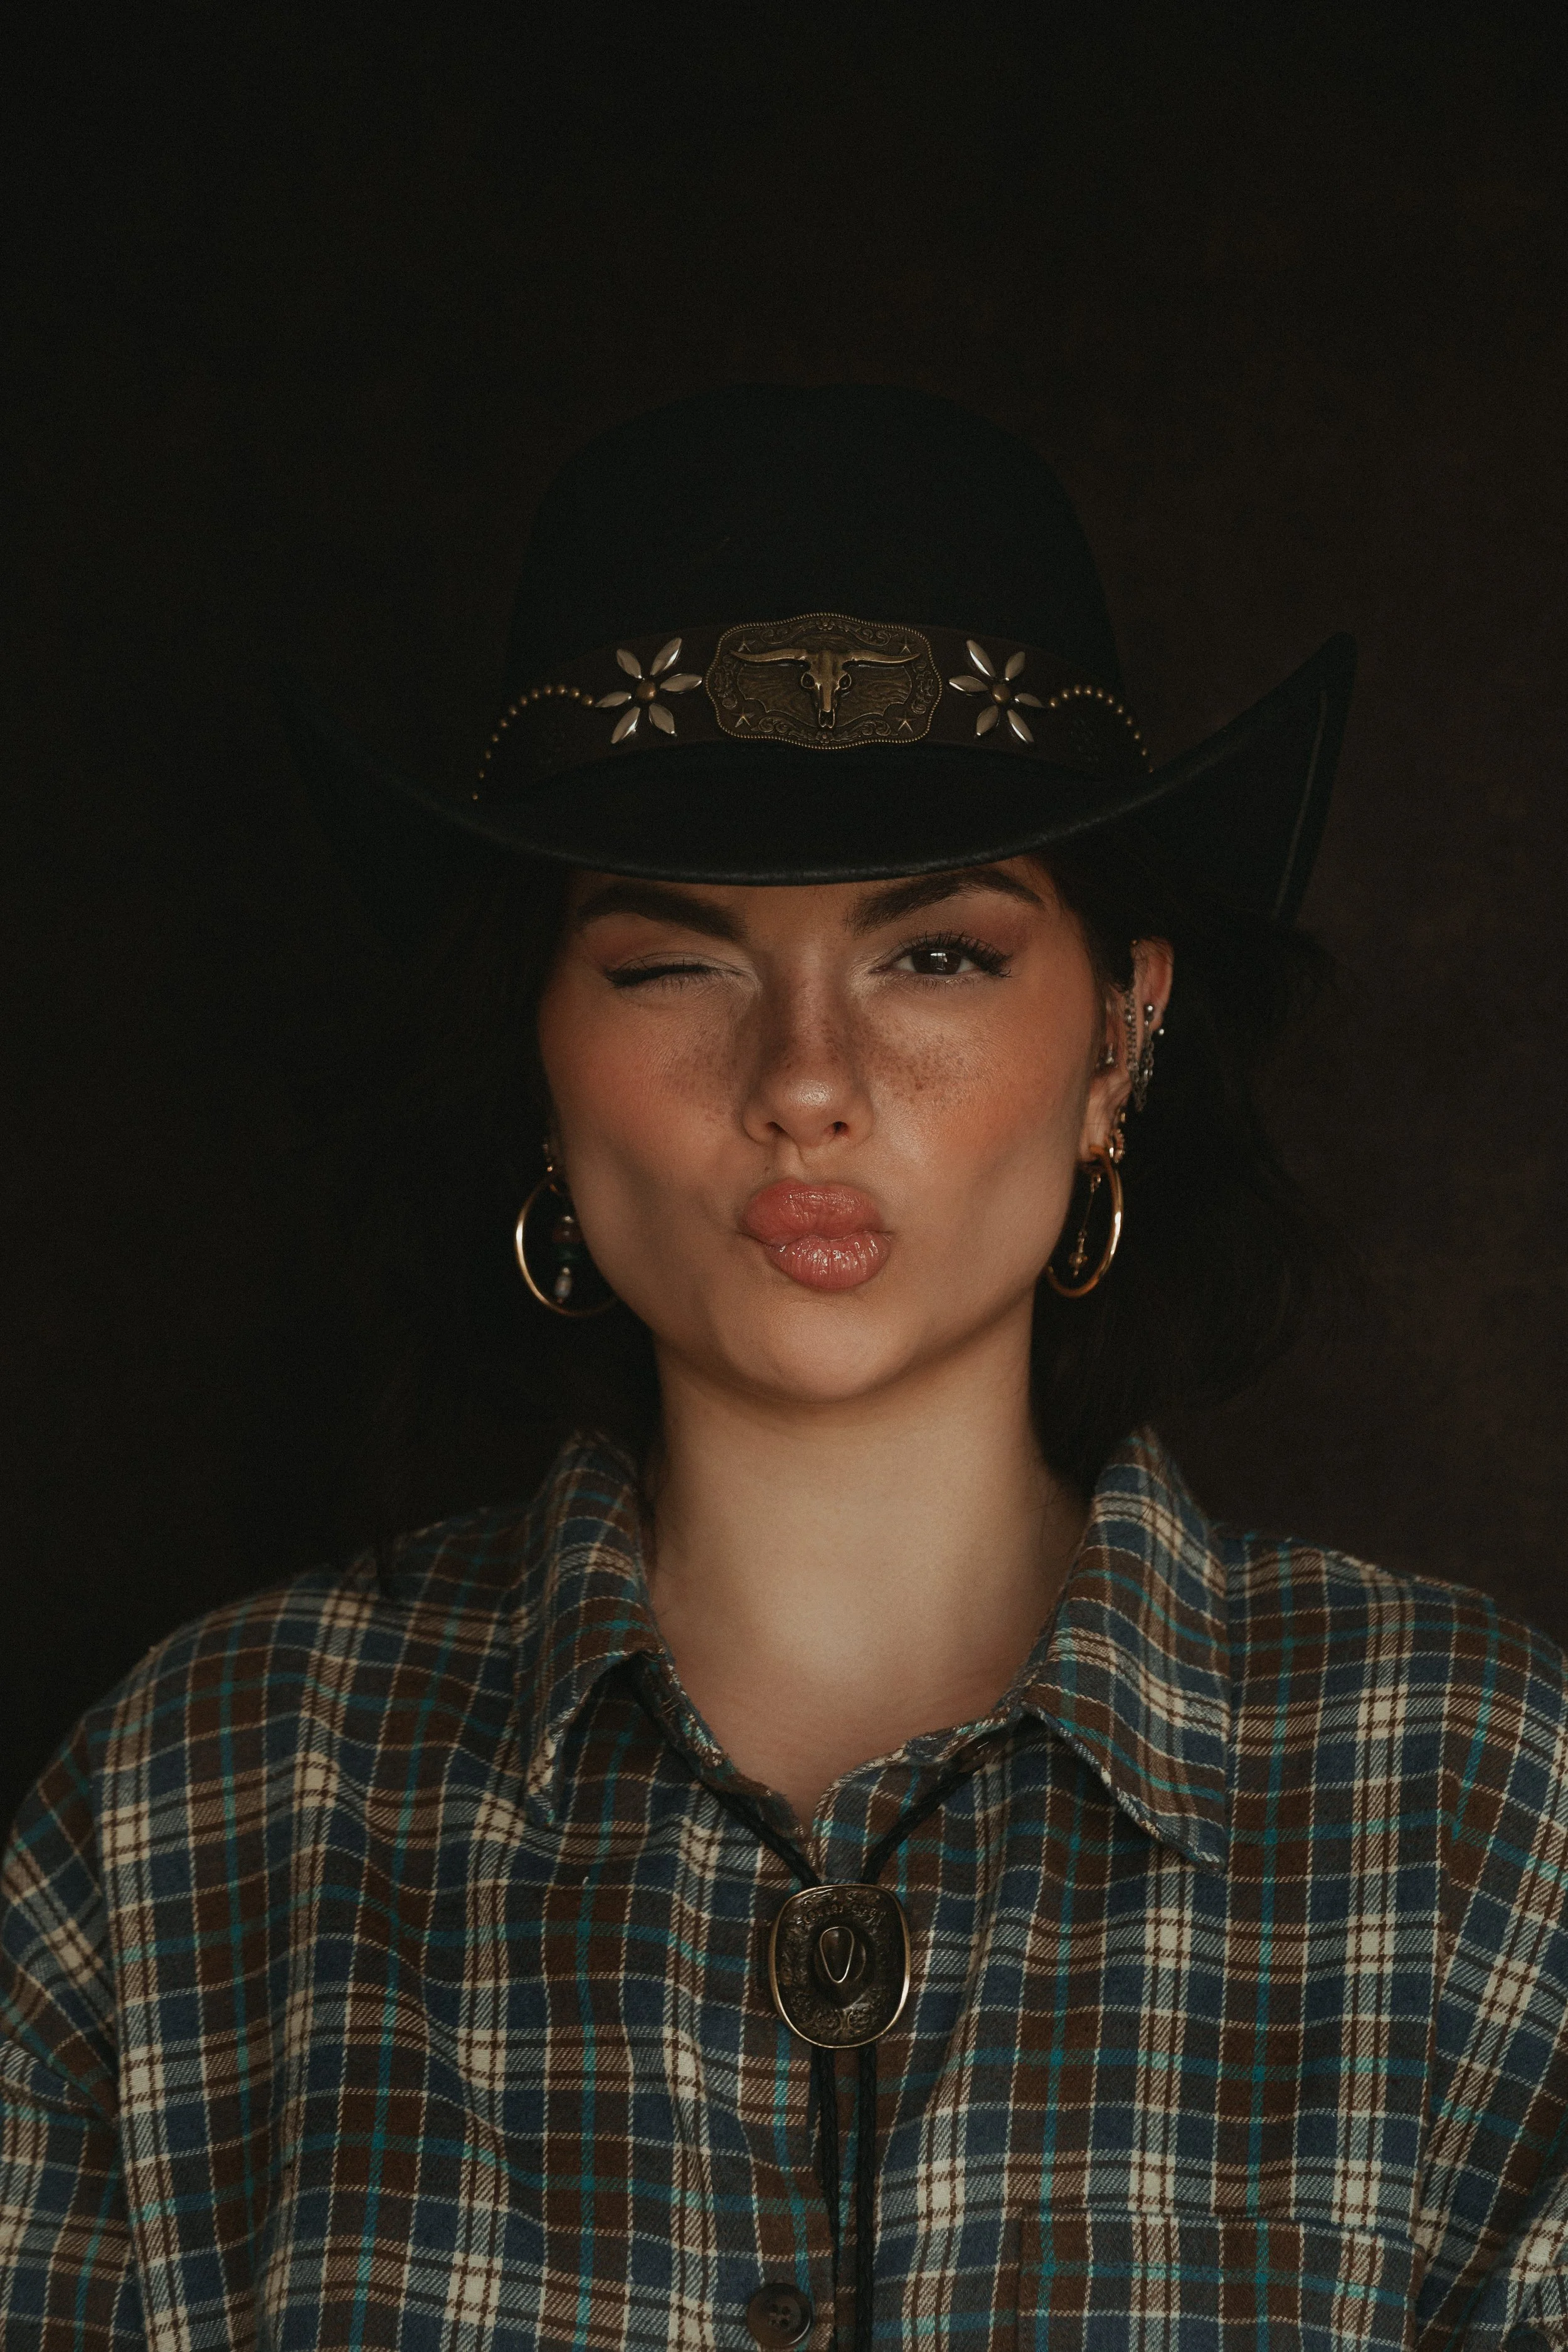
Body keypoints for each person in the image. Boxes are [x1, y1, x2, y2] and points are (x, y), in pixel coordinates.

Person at [3, 385, 1565, 2352]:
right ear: (534, 1042)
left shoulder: (1478, 1815)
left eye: (939, 958)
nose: (806, 1082)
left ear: (1117, 1038)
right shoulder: (195, 1814)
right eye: (673, 962)